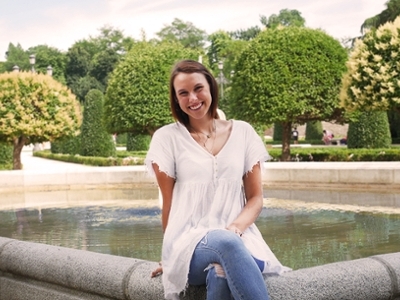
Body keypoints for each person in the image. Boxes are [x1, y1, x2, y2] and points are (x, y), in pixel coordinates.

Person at [145, 60, 290, 300]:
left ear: (211, 87)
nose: (193, 98)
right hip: (189, 244)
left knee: (221, 269)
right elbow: (168, 204)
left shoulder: (243, 132)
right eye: (183, 93)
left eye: (198, 88)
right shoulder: (166, 138)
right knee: (225, 244)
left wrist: (234, 229)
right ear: (176, 99)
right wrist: (169, 253)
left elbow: (255, 198)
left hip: (241, 238)